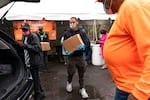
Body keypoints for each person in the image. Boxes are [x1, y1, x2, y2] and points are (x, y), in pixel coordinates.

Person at [97, 0, 150, 100]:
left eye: (105, 2)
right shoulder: (127, 9)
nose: (106, 7)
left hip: (135, 90)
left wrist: (139, 94)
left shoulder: (133, 6)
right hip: (126, 87)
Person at [63, 17, 90, 99]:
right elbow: (65, 45)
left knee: (81, 73)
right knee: (71, 72)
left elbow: (86, 42)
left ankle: (82, 88)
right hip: (71, 57)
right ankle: (69, 82)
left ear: (77, 22)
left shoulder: (82, 32)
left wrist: (84, 47)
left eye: (73, 22)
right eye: (70, 22)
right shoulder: (67, 33)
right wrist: (68, 51)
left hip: (80, 56)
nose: (72, 24)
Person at [18, 23, 45, 100]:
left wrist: (25, 46)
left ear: (29, 29)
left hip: (34, 62)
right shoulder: (24, 37)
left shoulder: (34, 36)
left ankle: (38, 94)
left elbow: (37, 48)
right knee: (35, 78)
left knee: (35, 78)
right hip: (28, 61)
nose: (24, 31)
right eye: (23, 30)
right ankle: (40, 92)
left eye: (25, 30)